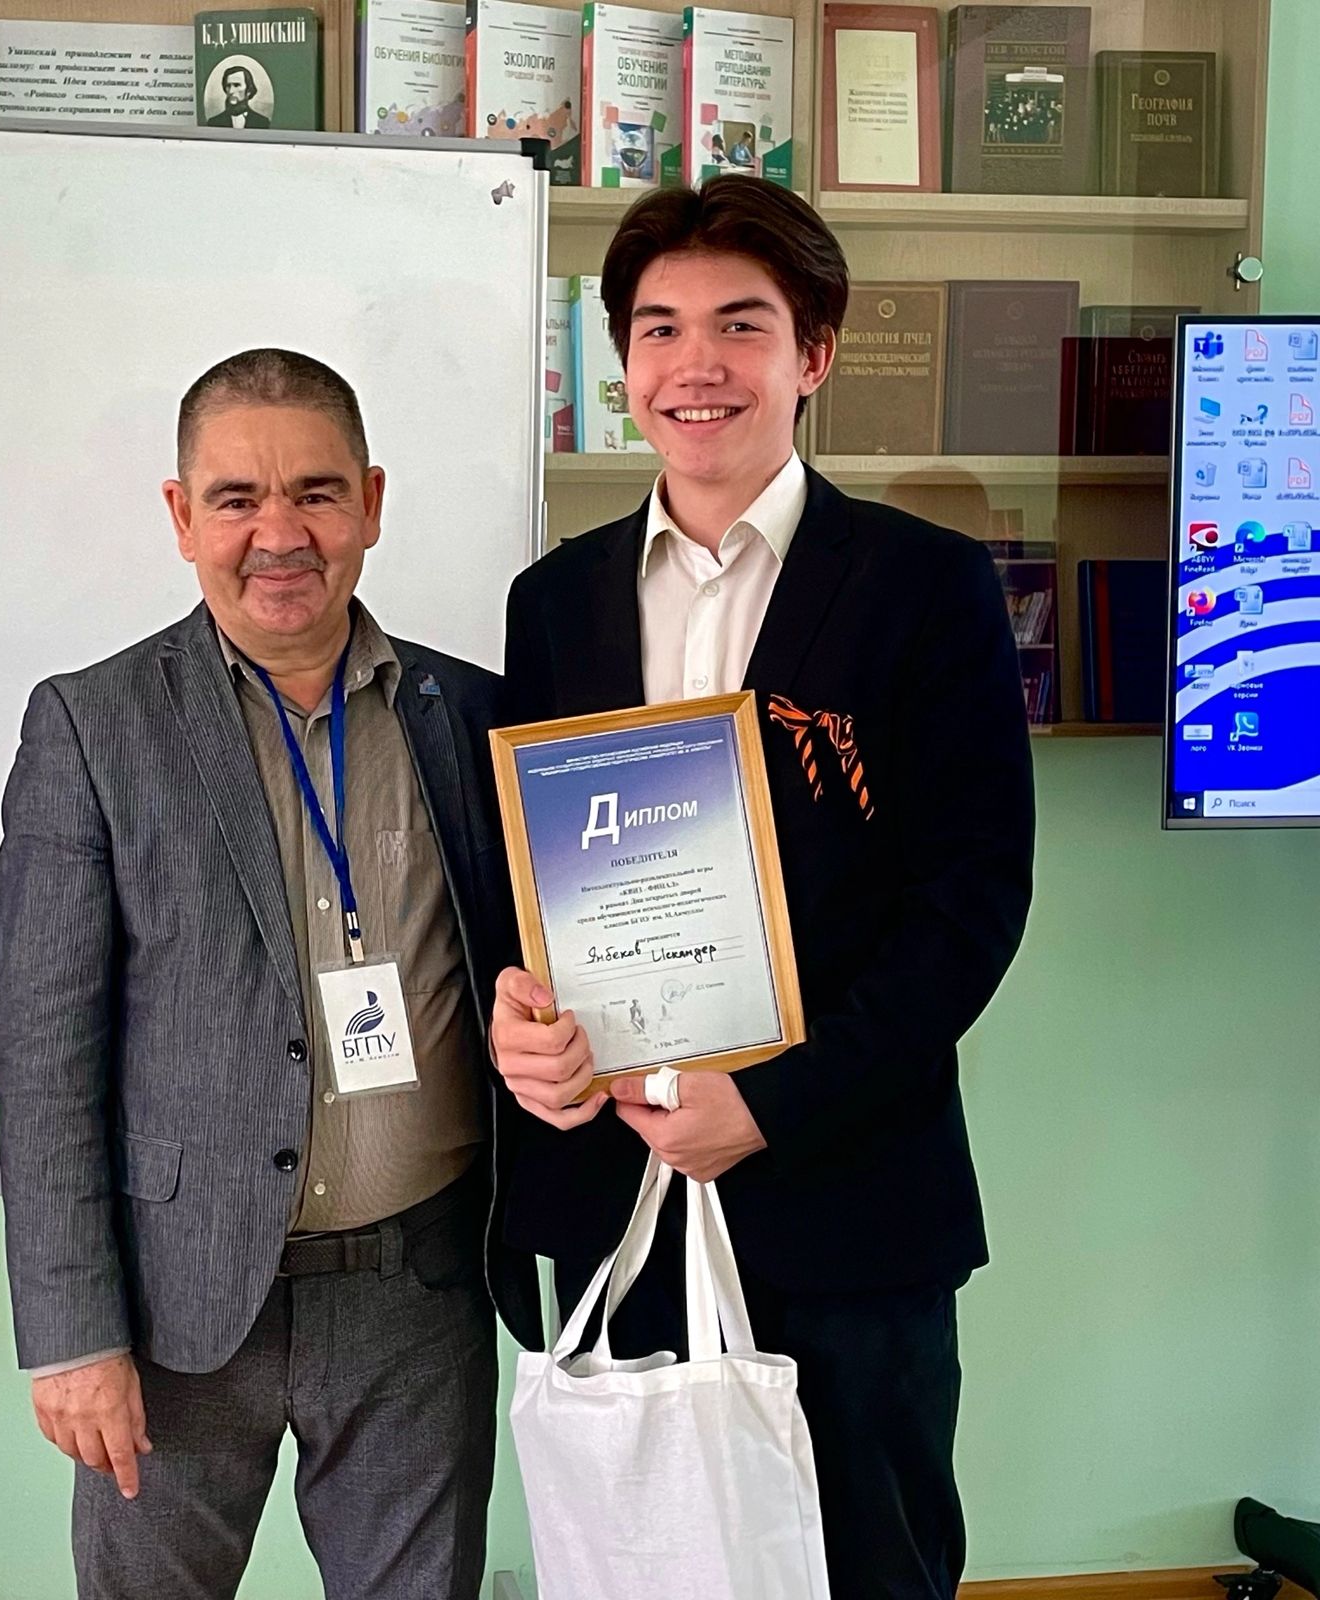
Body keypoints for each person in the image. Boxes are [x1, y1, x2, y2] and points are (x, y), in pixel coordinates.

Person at [490, 175, 1035, 1599]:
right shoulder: (555, 603)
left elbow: (969, 907)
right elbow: (524, 891)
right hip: (616, 1185)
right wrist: (519, 1023)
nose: (697, 365)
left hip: (844, 1193)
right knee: (647, 1565)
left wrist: (772, 1102)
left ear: (814, 353)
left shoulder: (925, 587)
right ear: (622, 363)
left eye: (742, 324)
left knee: (869, 1563)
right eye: (659, 330)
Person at [0, 348, 533, 1599]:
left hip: (416, 1294)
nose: (278, 534)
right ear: (182, 517)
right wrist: (72, 1336)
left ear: (371, 504)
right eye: (236, 498)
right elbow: (43, 1058)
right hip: (173, 1308)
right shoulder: (93, 726)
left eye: (316, 492)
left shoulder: (475, 716)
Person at [206, 64, 270, 130]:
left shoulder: (263, 122)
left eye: (236, 85)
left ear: (249, 90)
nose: (231, 91)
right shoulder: (213, 122)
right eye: (228, 86)